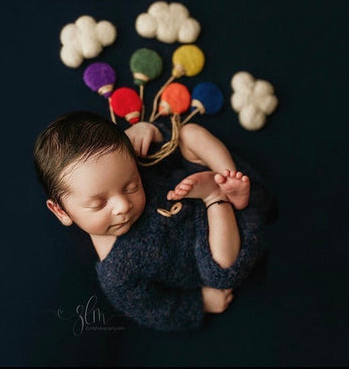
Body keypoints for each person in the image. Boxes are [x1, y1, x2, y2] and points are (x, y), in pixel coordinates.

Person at [33, 111, 272, 331]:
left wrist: (151, 131)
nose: (124, 205)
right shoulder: (117, 275)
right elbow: (156, 311)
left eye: (131, 185)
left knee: (189, 134)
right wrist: (200, 303)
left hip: (227, 189)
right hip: (226, 243)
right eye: (99, 204)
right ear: (61, 211)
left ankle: (227, 181)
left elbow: (167, 150)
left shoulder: (127, 163)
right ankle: (217, 196)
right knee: (222, 273)